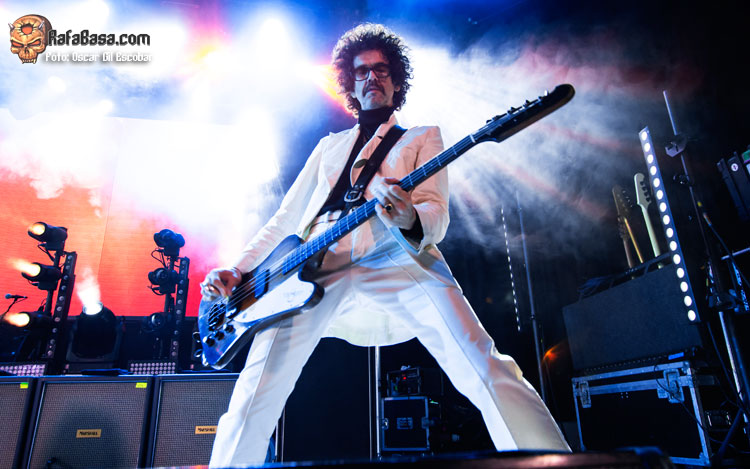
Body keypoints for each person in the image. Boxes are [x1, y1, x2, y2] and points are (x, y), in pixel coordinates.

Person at [202, 23, 570, 467]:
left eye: (381, 69)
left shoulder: (422, 137)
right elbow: (285, 218)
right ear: (350, 84)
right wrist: (239, 269)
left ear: (396, 82)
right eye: (362, 71)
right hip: (310, 263)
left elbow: (436, 211)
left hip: (395, 251)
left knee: (482, 362)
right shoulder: (328, 146)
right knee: (256, 387)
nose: (372, 77)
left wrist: (409, 218)